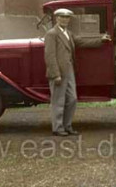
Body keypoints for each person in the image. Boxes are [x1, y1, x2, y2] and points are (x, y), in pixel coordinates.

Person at [44, 8, 111, 136]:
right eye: (62, 17)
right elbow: (49, 56)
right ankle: (57, 128)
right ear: (57, 18)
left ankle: (67, 126)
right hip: (59, 72)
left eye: (67, 17)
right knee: (58, 100)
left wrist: (101, 40)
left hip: (69, 70)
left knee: (72, 99)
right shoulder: (52, 34)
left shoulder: (68, 33)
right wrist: (56, 74)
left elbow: (82, 42)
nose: (64, 19)